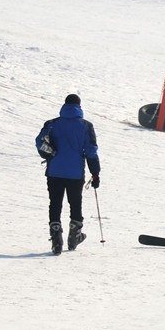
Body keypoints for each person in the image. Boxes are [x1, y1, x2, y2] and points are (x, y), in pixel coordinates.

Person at [36, 94, 101, 255]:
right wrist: (95, 173)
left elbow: (39, 141)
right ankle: (74, 236)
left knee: (55, 203)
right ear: (79, 106)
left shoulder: (52, 124)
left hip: (54, 171)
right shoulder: (86, 126)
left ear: (64, 105)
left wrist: (48, 154)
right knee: (75, 202)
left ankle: (56, 239)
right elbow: (91, 151)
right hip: (75, 173)